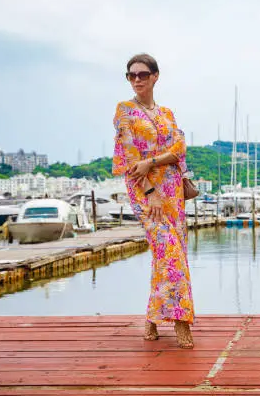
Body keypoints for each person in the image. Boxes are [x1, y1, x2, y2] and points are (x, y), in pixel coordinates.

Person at [112, 53, 194, 348]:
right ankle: (182, 323)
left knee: (172, 254)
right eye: (131, 75)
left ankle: (151, 321)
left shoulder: (167, 114)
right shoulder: (124, 111)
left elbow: (180, 149)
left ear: (155, 76)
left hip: (172, 190)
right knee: (169, 251)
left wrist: (153, 161)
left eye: (142, 74)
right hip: (145, 192)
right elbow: (129, 159)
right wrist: (150, 190)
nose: (136, 80)